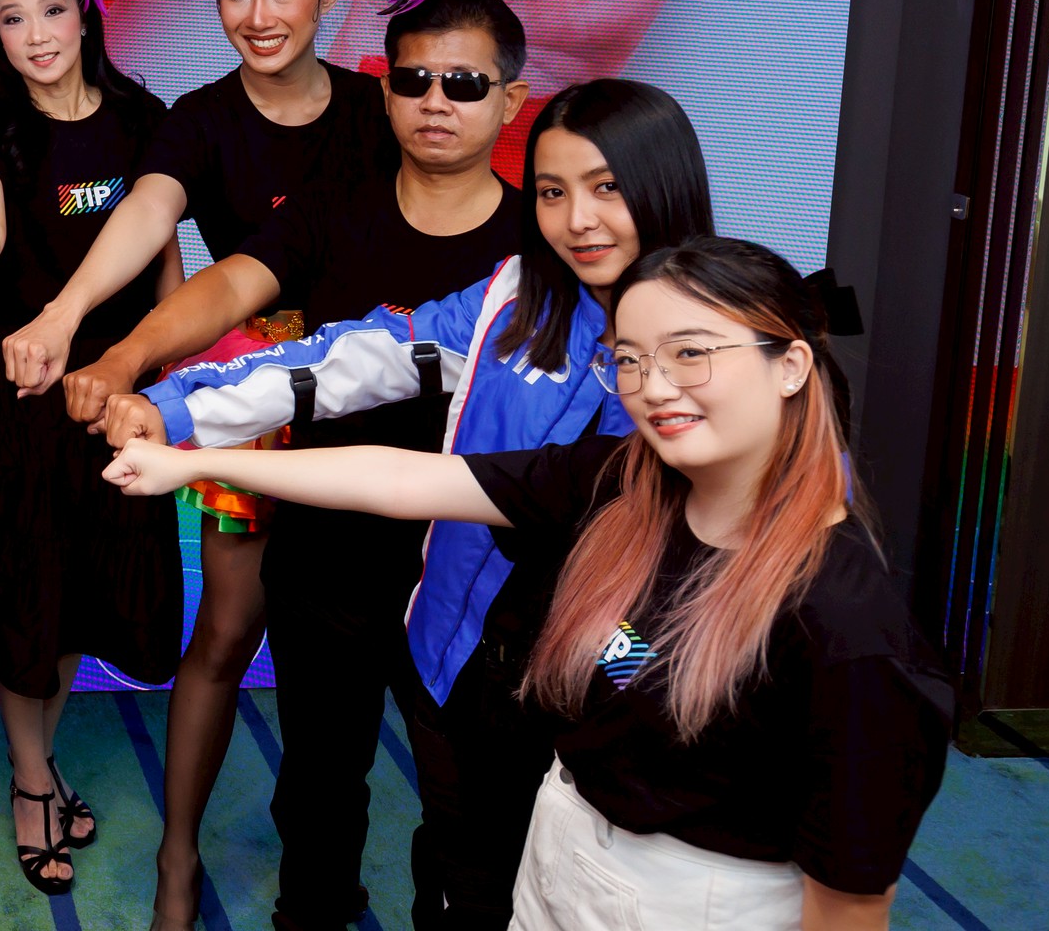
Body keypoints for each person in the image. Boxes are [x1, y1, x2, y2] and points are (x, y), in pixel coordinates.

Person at [15, 0, 494, 931]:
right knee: (228, 634)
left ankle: (428, 873)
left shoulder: (389, 110)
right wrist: (77, 324)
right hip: (241, 406)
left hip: (385, 409)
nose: (260, 13)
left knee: (418, 652)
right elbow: (162, 227)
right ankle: (179, 859)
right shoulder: (198, 120)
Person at [108, 236, 953, 931]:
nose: (655, 389)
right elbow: (406, 480)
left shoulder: (848, 627)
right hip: (557, 858)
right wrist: (192, 461)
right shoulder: (625, 481)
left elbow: (850, 905)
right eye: (630, 361)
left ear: (792, 365)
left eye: (691, 354)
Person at [102, 78, 717, 930]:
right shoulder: (514, 297)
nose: (579, 220)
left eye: (607, 187)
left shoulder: (733, 342)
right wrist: (177, 408)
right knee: (460, 881)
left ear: (666, 185)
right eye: (551, 191)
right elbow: (356, 357)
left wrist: (640, 686)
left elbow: (736, 562)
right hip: (462, 666)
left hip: (611, 692)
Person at [73, 0, 528, 929]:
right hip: (330, 553)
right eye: (414, 80)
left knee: (472, 811)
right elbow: (232, 286)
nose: (435, 101)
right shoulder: (335, 209)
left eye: (463, 83)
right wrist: (128, 359)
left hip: (476, 565)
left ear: (510, 100)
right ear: (384, 91)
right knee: (318, 790)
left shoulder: (538, 250)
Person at [0, 0, 183, 896]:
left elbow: (164, 260)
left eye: (52, 10)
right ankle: (32, 782)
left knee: (76, 602)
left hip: (112, 395)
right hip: (22, 397)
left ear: (85, 13)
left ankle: (40, 759)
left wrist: (165, 382)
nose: (36, 35)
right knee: (25, 601)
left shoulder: (146, 119)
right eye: (11, 18)